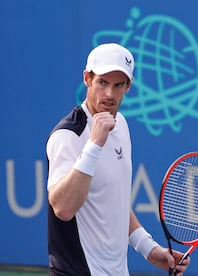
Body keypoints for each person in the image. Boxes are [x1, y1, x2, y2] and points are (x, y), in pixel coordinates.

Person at [46, 43, 190, 275]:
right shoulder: (68, 134)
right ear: (87, 79)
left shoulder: (120, 124)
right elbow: (63, 208)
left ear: (128, 86)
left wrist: (149, 249)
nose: (110, 94)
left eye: (118, 85)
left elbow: (114, 203)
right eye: (102, 82)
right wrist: (94, 145)